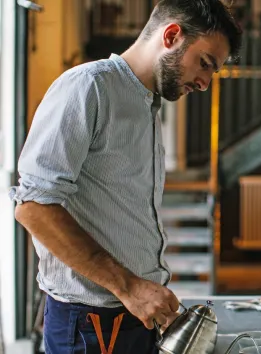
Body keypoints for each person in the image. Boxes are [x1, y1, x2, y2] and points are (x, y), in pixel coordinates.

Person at [9, 0, 242, 352]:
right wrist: (130, 287)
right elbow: (34, 207)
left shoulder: (146, 104)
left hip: (133, 314)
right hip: (90, 326)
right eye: (205, 64)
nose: (205, 83)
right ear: (172, 35)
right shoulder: (88, 87)